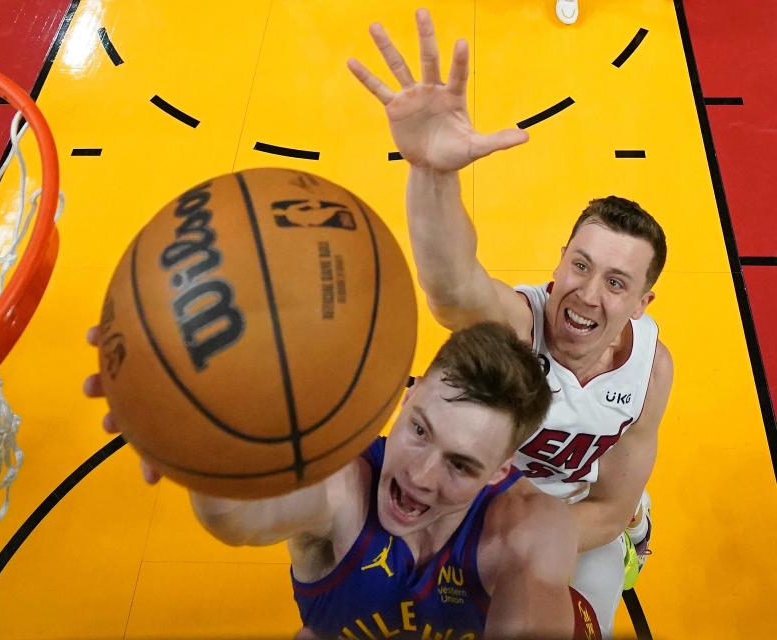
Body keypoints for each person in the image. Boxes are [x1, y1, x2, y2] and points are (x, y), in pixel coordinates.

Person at [347, 9, 672, 637]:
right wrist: (433, 172)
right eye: (579, 264)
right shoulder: (517, 327)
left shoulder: (651, 371)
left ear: (641, 304)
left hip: (565, 513)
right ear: (559, 261)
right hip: (473, 498)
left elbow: (611, 501)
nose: (585, 292)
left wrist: (518, 547)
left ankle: (636, 539)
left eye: (616, 282)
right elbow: (451, 285)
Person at [85, 322, 591, 639]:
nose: (418, 476)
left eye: (460, 465)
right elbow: (234, 518)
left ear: (501, 471)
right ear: (405, 399)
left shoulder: (528, 529)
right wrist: (200, 444)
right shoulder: (343, 483)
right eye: (418, 430)